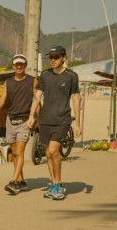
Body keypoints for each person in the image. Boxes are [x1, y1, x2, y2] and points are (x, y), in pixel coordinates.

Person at [27, 45, 81, 201]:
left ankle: (58, 184)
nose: (52, 60)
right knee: (48, 154)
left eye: (56, 57)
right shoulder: (44, 75)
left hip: (62, 119)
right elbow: (37, 97)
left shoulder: (71, 76)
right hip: (45, 120)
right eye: (50, 57)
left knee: (53, 151)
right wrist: (32, 116)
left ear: (64, 58)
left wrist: (77, 123)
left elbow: (76, 99)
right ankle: (53, 183)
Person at [0, 54, 36, 195]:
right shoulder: (8, 82)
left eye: (21, 64)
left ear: (25, 65)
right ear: (13, 66)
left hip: (25, 120)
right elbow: (3, 98)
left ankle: (14, 181)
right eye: (16, 64)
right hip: (11, 120)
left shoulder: (32, 81)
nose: (19, 66)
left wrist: (35, 118)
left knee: (19, 152)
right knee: (15, 153)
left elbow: (37, 100)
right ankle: (21, 180)